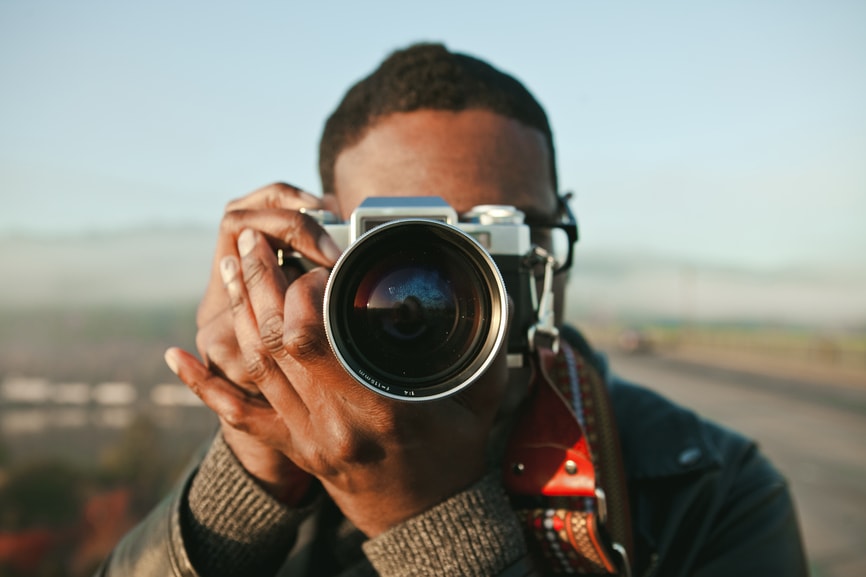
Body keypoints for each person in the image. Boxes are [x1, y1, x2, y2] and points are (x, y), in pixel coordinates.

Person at [97, 43, 808, 576]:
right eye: (405, 245)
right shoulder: (297, 448)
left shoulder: (712, 488)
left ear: (557, 241)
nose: (461, 283)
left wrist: (428, 523)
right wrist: (250, 477)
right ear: (319, 255)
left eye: (501, 237)